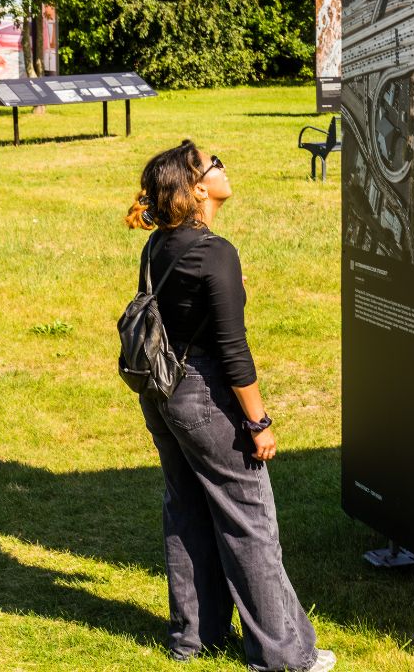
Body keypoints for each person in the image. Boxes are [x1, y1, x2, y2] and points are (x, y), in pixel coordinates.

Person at [125, 140, 332, 672]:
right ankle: (283, 657)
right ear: (198, 189)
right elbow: (234, 353)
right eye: (213, 164)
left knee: (187, 509)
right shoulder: (215, 252)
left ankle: (195, 638)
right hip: (203, 395)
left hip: (161, 393)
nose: (223, 166)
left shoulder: (160, 246)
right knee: (250, 523)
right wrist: (259, 422)